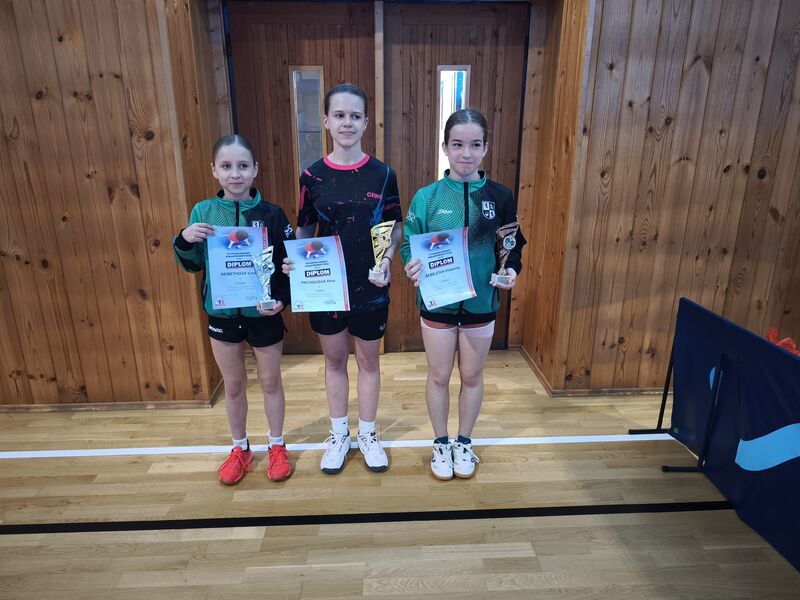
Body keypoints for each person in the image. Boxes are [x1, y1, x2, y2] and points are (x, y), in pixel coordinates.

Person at [400, 109, 526, 480]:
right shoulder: (427, 197)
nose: (465, 153)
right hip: (437, 303)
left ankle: (464, 441)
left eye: (474, 145)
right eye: (457, 144)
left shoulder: (500, 196)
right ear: (445, 147)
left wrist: (511, 271)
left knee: (471, 376)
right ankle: (441, 442)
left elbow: (512, 245)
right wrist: (411, 264)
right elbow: (409, 243)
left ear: (485, 148)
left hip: (481, 303)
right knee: (439, 376)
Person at [284, 83, 402, 474]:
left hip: (371, 288)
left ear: (366, 122)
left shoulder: (383, 174)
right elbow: (304, 229)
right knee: (334, 361)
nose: (347, 123)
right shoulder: (311, 176)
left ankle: (368, 433)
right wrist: (297, 265)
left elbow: (393, 227)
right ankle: (338, 435)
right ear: (326, 121)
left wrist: (387, 261)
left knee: (368, 362)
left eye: (354, 116)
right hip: (326, 289)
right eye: (339, 115)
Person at [173, 134, 294, 485]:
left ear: (255, 169)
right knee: (234, 384)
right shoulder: (204, 213)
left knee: (270, 381)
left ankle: (277, 445)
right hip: (222, 315)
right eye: (226, 166)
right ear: (214, 170)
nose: (235, 174)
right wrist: (183, 239)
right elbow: (193, 264)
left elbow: (288, 264)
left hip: (263, 314)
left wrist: (282, 299)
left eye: (242, 166)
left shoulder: (272, 214)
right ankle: (240, 448)